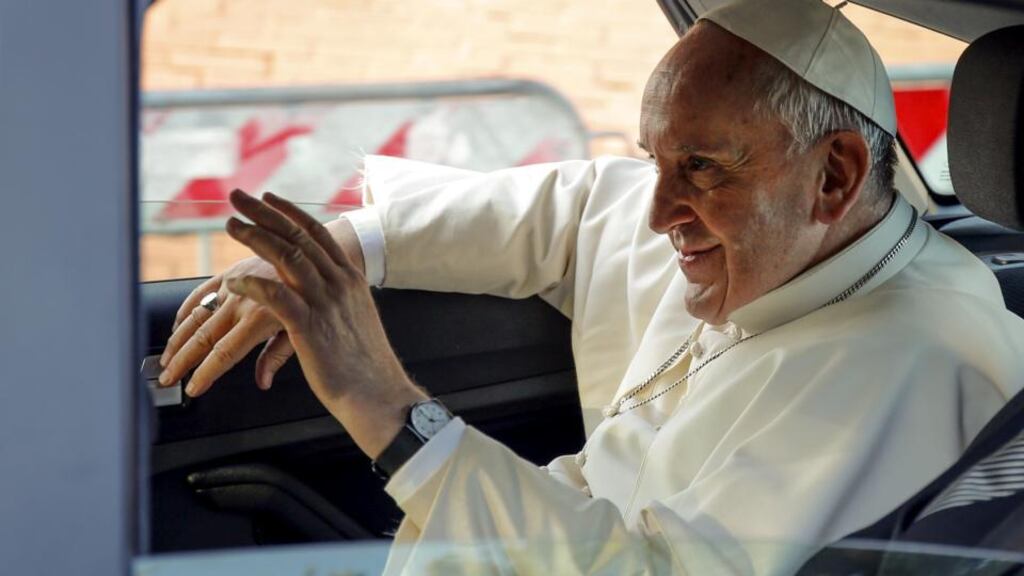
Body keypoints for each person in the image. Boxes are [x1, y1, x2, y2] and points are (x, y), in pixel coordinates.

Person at [159, 0, 1024, 573]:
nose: (659, 210)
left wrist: (390, 410)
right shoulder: (769, 232)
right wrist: (337, 248)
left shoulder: (912, 365)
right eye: (656, 157)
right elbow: (568, 209)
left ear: (834, 177)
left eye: (699, 167)